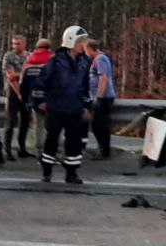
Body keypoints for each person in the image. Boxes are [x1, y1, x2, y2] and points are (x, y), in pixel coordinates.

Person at [33, 25, 91, 185]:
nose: (84, 44)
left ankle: (71, 173)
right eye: (81, 41)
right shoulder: (55, 61)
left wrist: (86, 106)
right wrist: (40, 101)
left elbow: (86, 86)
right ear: (72, 41)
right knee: (51, 140)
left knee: (74, 142)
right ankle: (47, 171)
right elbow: (41, 82)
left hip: (75, 109)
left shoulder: (85, 62)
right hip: (56, 108)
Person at [84, 38, 117, 160]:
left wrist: (99, 97)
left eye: (86, 49)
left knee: (99, 125)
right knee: (99, 125)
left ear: (90, 48)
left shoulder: (100, 59)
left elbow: (104, 79)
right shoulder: (98, 59)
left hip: (103, 97)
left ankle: (104, 151)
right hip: (101, 96)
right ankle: (103, 149)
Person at [19, 38, 53, 155]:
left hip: (34, 99)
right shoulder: (53, 61)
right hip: (51, 99)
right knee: (53, 124)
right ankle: (53, 148)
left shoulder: (28, 62)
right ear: (49, 48)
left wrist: (25, 99)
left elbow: (22, 83)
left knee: (38, 123)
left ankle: (40, 148)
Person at [1, 34, 29, 159]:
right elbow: (11, 76)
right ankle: (7, 149)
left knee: (25, 121)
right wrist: (19, 93)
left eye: (18, 43)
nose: (15, 46)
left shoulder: (30, 56)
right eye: (14, 43)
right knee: (11, 121)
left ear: (24, 44)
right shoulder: (9, 56)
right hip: (13, 91)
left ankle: (22, 148)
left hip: (27, 91)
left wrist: (20, 75)